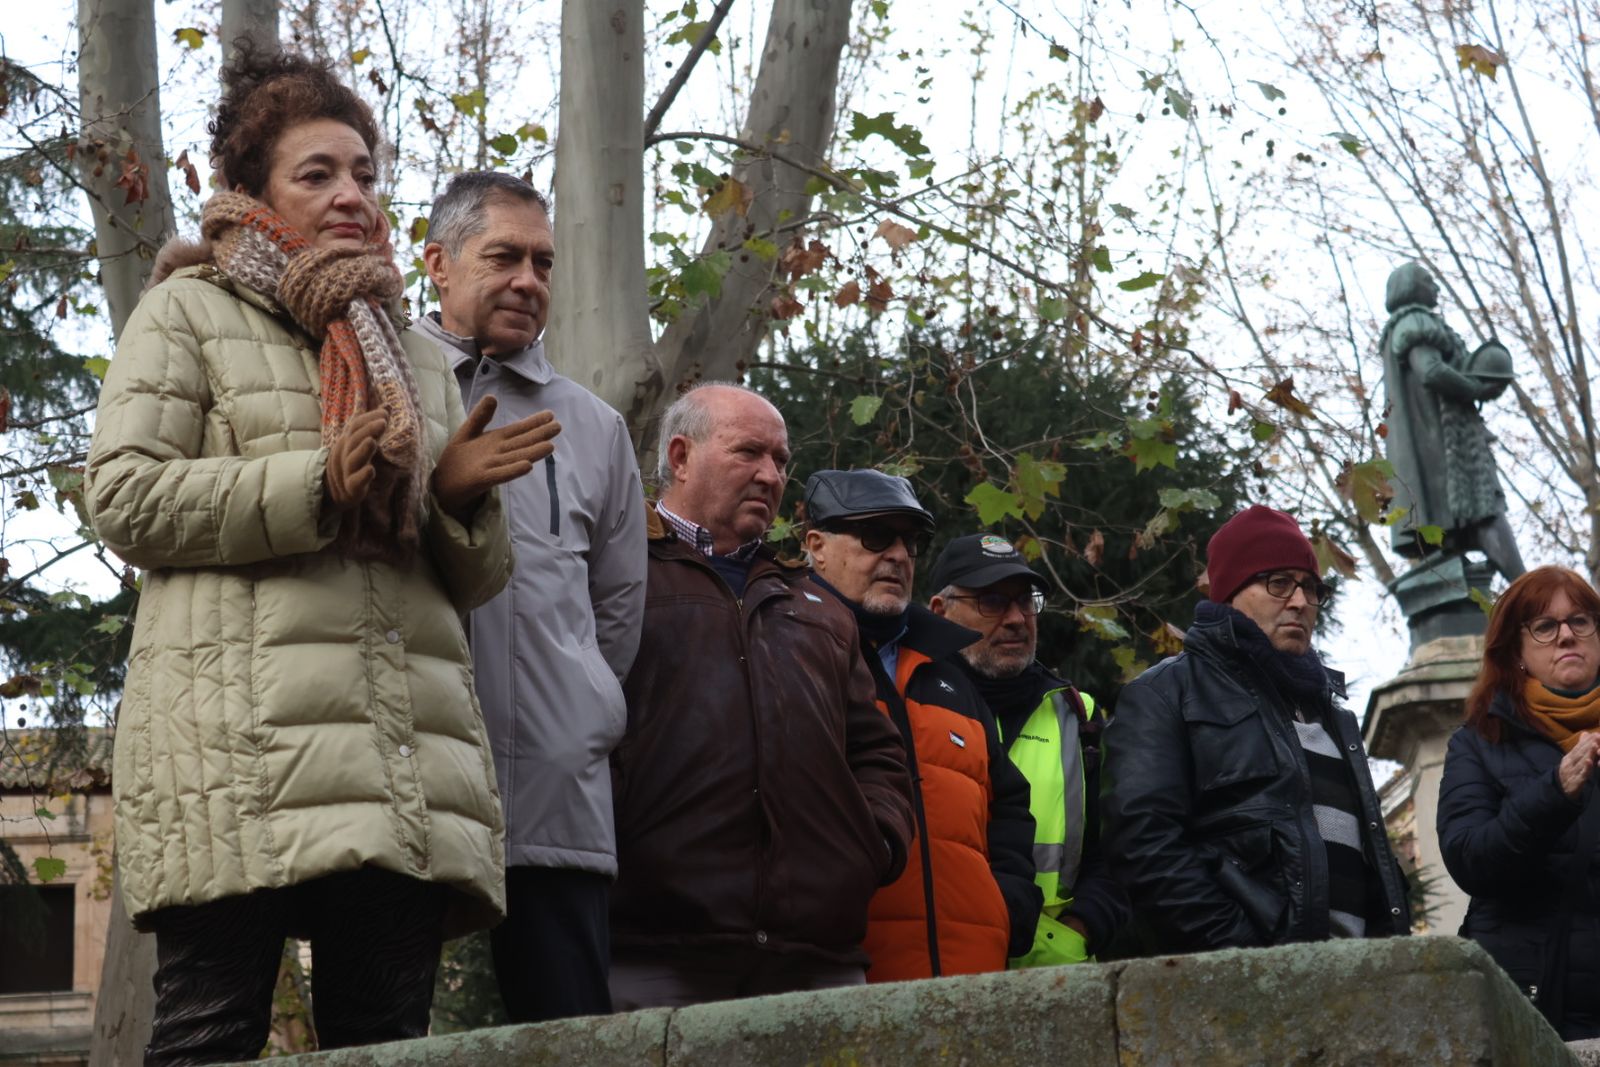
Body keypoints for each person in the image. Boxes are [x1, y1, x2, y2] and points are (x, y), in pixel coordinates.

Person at [83, 50, 559, 1065]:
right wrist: (315, 484)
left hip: (399, 757)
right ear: (252, 191)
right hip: (234, 756)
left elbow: (473, 582)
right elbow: (122, 496)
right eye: (317, 173)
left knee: (384, 1044)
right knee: (209, 1037)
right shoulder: (187, 309)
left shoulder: (411, 347)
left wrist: (456, 502)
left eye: (364, 173)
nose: (351, 193)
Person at [413, 172, 646, 1022]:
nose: (528, 281)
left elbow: (618, 609)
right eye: (503, 257)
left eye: (543, 263)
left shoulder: (595, 427)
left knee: (573, 1035)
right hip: (406, 781)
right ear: (438, 263)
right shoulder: (381, 386)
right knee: (385, 1029)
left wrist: (581, 708)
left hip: (557, 792)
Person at [608, 384, 915, 1008]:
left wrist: (874, 844)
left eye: (780, 460)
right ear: (681, 456)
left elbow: (877, 752)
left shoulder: (820, 607)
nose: (771, 475)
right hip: (654, 950)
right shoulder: (614, 572)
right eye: (749, 452)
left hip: (817, 956)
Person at [1102, 505, 1410, 954]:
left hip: (1360, 972)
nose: (1300, 602)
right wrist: (1245, 951)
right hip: (1245, 974)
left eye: (1310, 587)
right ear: (1230, 592)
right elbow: (1143, 845)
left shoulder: (1333, 715)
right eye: (1279, 583)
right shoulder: (1166, 693)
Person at [802, 471, 1039, 981]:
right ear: (817, 547)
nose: (898, 555)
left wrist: (1008, 907)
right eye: (876, 536)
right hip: (842, 979)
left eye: (910, 542)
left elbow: (1008, 804)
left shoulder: (948, 670)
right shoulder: (789, 652)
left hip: (972, 976)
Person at [927, 533, 1129, 966]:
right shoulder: (908, 706)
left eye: (1026, 601)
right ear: (940, 611)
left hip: (1056, 974)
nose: (1017, 618)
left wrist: (1078, 932)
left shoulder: (1078, 715)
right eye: (992, 601)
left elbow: (1118, 852)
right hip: (935, 969)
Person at [1438, 566, 1600, 1039]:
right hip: (1533, 1010)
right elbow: (1470, 858)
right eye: (1545, 626)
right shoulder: (1478, 743)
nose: (1566, 635)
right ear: (1517, 653)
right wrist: (1555, 793)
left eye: (1580, 620)